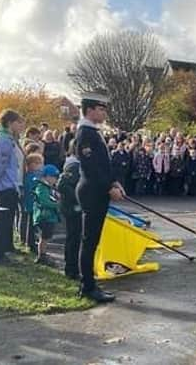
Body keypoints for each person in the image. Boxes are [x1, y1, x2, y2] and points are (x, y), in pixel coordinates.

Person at [75, 92, 124, 302]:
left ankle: (89, 282)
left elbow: (104, 164)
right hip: (92, 191)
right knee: (89, 241)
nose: (104, 112)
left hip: (98, 189)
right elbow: (92, 167)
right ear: (90, 110)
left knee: (92, 240)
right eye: (101, 109)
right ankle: (87, 286)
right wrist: (108, 188)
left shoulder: (94, 132)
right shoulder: (85, 132)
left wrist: (114, 182)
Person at [0, 109, 25, 264]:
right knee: (2, 220)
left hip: (8, 184)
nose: (21, 126)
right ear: (10, 123)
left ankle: (7, 246)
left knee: (8, 218)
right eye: (18, 122)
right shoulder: (3, 139)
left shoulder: (2, 137)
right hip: (5, 185)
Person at [57, 140, 82, 279]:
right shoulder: (73, 165)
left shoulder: (78, 165)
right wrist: (78, 197)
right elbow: (62, 185)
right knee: (73, 238)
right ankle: (71, 269)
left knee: (75, 237)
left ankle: (73, 267)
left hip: (75, 206)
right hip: (71, 207)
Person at [32, 164, 61, 264]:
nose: (56, 180)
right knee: (44, 238)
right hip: (44, 217)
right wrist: (57, 205)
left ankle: (43, 253)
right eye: (54, 177)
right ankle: (41, 256)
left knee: (46, 237)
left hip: (49, 217)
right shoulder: (41, 187)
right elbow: (44, 202)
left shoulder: (49, 187)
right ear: (46, 176)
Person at [21, 153, 44, 253]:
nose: (39, 165)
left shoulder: (36, 175)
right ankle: (29, 242)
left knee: (33, 224)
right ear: (30, 164)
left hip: (34, 203)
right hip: (31, 203)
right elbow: (31, 189)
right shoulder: (30, 176)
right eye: (37, 163)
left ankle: (31, 241)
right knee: (31, 224)